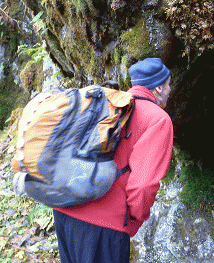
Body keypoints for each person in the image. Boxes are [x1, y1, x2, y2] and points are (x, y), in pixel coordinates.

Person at [52, 58, 174, 263]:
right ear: (159, 88)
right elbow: (143, 185)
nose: (170, 90)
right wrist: (132, 220)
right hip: (103, 227)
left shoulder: (108, 103)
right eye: (169, 85)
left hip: (65, 212)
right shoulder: (158, 119)